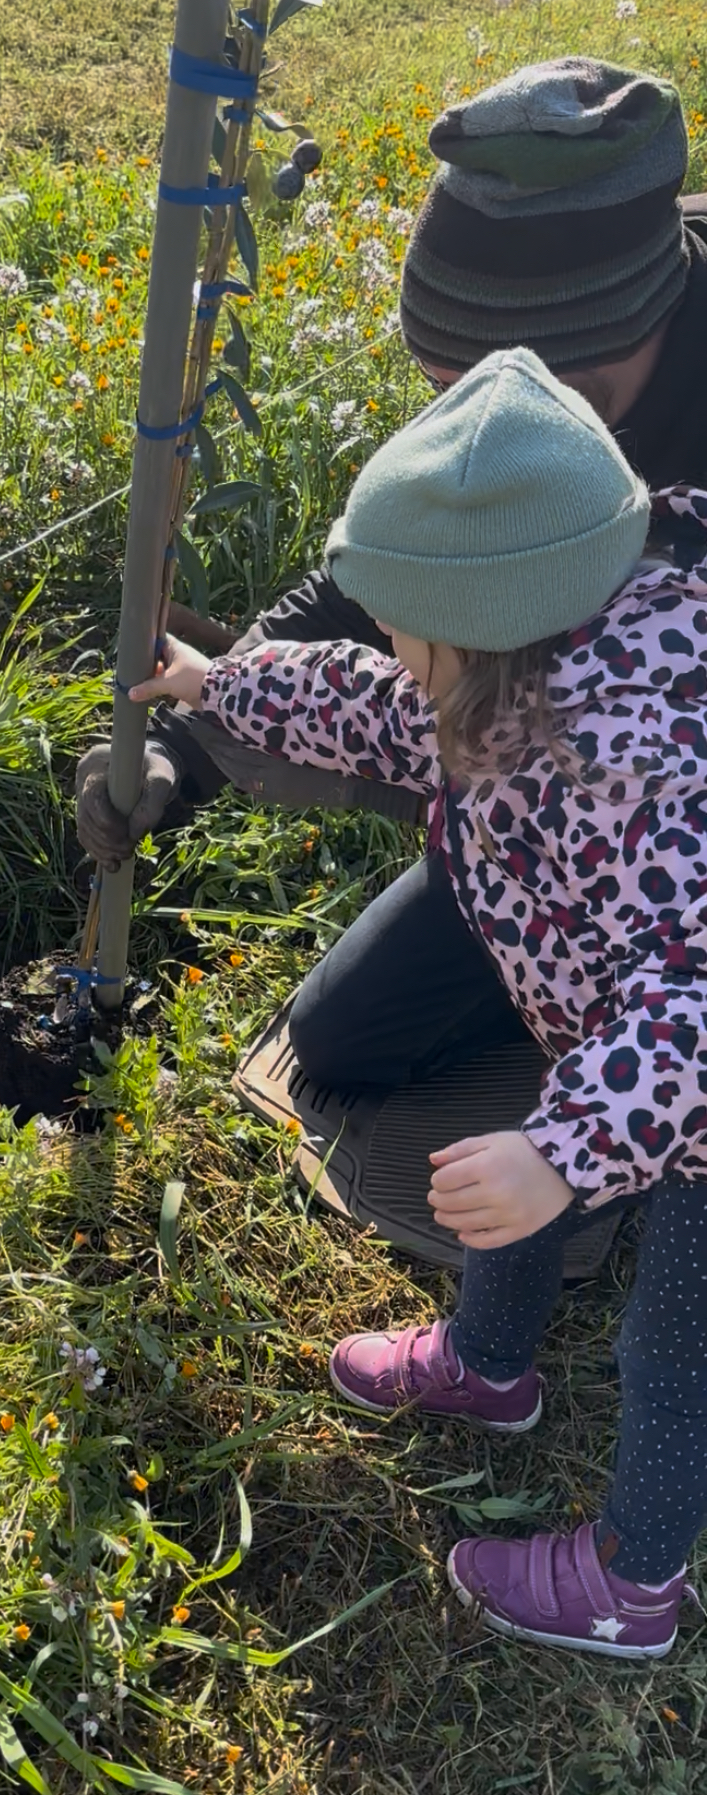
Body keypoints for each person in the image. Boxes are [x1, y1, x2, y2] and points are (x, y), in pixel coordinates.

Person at [129, 346, 707, 1658]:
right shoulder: (516, 676)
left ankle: (634, 1581)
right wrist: (218, 684)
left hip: (678, 1065)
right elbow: (380, 710)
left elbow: (689, 1004)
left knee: (672, 1350)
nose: (386, 647)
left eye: (400, 623)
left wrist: (566, 1151)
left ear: (484, 624)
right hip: (601, 1039)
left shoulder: (647, 772)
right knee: (502, 1179)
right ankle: (487, 1369)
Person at [79, 57, 707, 1094]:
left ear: (572, 391)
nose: (446, 421)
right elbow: (401, 578)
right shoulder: (514, 388)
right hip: (534, 800)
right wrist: (187, 742)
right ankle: (572, 1000)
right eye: (438, 396)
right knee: (342, 1042)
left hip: (677, 843)